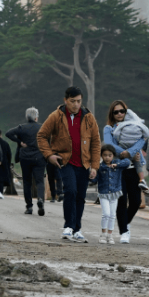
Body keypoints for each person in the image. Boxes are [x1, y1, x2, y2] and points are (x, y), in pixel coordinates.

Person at [37, 86, 102, 243]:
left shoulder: (89, 118)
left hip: (84, 163)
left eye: (79, 101)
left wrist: (94, 166)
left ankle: (77, 229)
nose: (76, 105)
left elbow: (96, 143)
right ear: (65, 100)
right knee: (70, 191)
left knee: (80, 196)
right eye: (72, 101)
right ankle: (68, 226)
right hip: (65, 161)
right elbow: (41, 136)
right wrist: (49, 155)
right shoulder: (56, 116)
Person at [103, 100, 143, 244]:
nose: (120, 114)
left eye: (122, 111)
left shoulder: (133, 126)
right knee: (121, 201)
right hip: (117, 169)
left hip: (133, 169)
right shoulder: (109, 128)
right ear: (112, 114)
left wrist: (131, 152)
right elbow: (109, 145)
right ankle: (124, 232)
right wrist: (127, 153)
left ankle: (124, 223)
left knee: (136, 201)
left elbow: (141, 139)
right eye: (116, 112)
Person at [6, 107, 46, 215]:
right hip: (39, 157)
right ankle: (41, 199)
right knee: (40, 181)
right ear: (36, 117)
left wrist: (19, 142)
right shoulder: (42, 127)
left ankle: (29, 207)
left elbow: (8, 133)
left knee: (27, 183)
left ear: (26, 117)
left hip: (25, 158)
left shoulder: (22, 128)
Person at [91, 144, 132, 244]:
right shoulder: (100, 167)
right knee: (106, 214)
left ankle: (110, 235)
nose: (107, 157)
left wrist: (116, 165)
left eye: (110, 155)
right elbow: (94, 180)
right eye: (105, 155)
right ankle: (103, 234)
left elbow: (127, 162)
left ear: (113, 155)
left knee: (113, 215)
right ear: (101, 156)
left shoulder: (117, 164)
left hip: (115, 193)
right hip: (103, 194)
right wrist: (91, 176)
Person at [111, 108, 149, 191]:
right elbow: (147, 134)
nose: (119, 114)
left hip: (123, 145)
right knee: (138, 163)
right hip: (134, 146)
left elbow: (116, 134)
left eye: (122, 112)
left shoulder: (122, 124)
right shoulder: (139, 124)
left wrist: (120, 139)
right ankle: (142, 180)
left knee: (126, 158)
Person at [0, 129, 13, 195]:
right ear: (0, 134)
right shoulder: (5, 143)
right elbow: (9, 155)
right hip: (3, 163)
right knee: (1, 178)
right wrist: (8, 163)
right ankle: (0, 192)